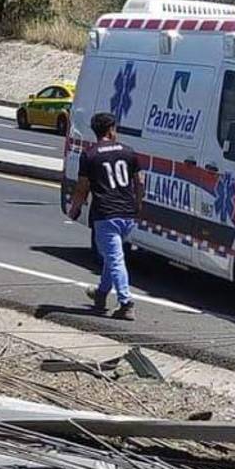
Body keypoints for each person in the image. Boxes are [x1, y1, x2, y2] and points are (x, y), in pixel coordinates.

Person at [67, 112, 144, 321]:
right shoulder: (128, 152)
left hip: (105, 213)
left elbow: (83, 187)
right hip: (127, 214)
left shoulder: (90, 155)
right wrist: (138, 203)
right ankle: (101, 293)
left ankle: (126, 302)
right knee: (113, 256)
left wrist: (75, 208)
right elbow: (140, 181)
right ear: (111, 129)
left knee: (115, 258)